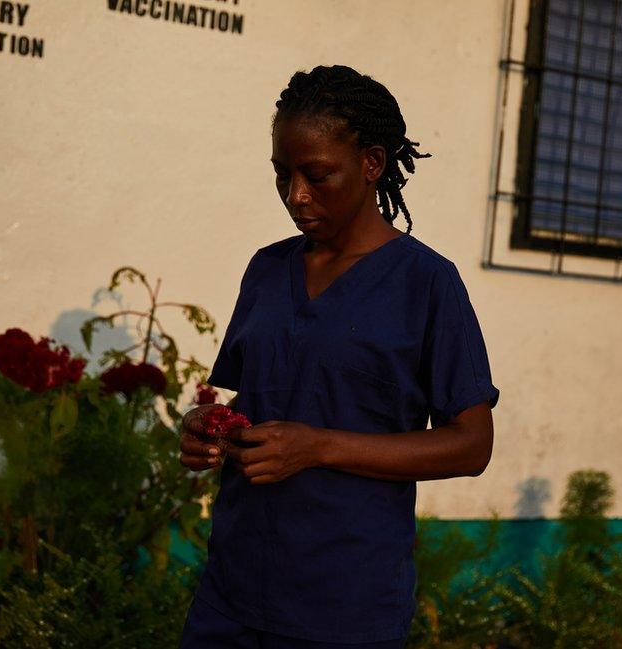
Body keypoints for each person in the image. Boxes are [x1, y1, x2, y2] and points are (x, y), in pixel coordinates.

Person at [177, 64, 500, 649]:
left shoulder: (426, 283)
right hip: (233, 591)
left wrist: (319, 446)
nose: (296, 194)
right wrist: (208, 428)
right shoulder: (268, 269)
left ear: (372, 164)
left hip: (345, 605)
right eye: (283, 174)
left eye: (317, 174)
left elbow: (472, 444)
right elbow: (258, 400)